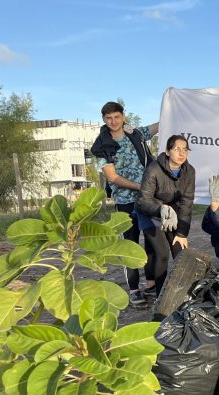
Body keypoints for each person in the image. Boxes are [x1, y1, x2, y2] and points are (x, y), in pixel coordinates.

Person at [90, 101, 158, 307]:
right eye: (109, 118)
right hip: (126, 200)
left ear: (123, 116)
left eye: (117, 117)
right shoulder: (101, 147)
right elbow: (112, 177)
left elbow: (157, 127)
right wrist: (140, 186)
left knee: (152, 241)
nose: (113, 121)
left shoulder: (134, 134)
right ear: (103, 119)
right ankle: (135, 289)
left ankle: (152, 284)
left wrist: (174, 103)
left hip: (148, 199)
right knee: (128, 245)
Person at [135, 135, 195, 297]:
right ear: (168, 152)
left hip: (172, 213)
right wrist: (160, 210)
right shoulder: (154, 169)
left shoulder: (189, 171)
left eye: (185, 149)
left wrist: (182, 233)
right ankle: (160, 297)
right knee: (161, 254)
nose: (181, 153)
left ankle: (184, 294)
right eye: (177, 149)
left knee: (181, 252)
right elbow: (143, 200)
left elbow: (186, 203)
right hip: (150, 212)